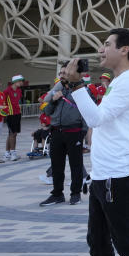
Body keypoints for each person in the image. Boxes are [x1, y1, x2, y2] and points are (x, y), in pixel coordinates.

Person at [65, 28, 129, 256]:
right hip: (104, 176)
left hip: (122, 175)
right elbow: (102, 121)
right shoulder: (118, 81)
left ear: (124, 49)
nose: (100, 50)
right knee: (98, 243)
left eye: (106, 44)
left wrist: (77, 84)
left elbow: (96, 117)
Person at [41, 61, 90, 206]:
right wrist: (53, 101)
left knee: (76, 164)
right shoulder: (56, 91)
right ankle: (57, 194)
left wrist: (83, 132)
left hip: (74, 131)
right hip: (56, 131)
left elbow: (87, 111)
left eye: (65, 73)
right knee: (56, 165)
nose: (62, 75)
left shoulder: (81, 90)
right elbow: (47, 111)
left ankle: (75, 194)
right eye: (61, 73)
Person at [3, 74, 24, 161]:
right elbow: (3, 103)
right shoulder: (7, 91)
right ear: (15, 82)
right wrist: (5, 114)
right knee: (13, 134)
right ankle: (13, 153)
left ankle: (7, 153)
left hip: (17, 113)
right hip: (10, 114)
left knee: (11, 134)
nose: (22, 83)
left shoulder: (19, 90)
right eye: (20, 81)